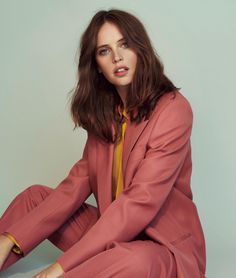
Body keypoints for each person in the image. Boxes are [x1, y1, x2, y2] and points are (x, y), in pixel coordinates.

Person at [0, 8, 206, 278]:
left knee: (135, 260)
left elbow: (138, 204)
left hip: (161, 247)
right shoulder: (107, 114)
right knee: (34, 199)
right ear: (96, 64)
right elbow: (74, 186)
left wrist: (59, 267)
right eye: (104, 51)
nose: (117, 57)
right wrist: (9, 238)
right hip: (113, 233)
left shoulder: (174, 110)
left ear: (140, 49)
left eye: (124, 44)